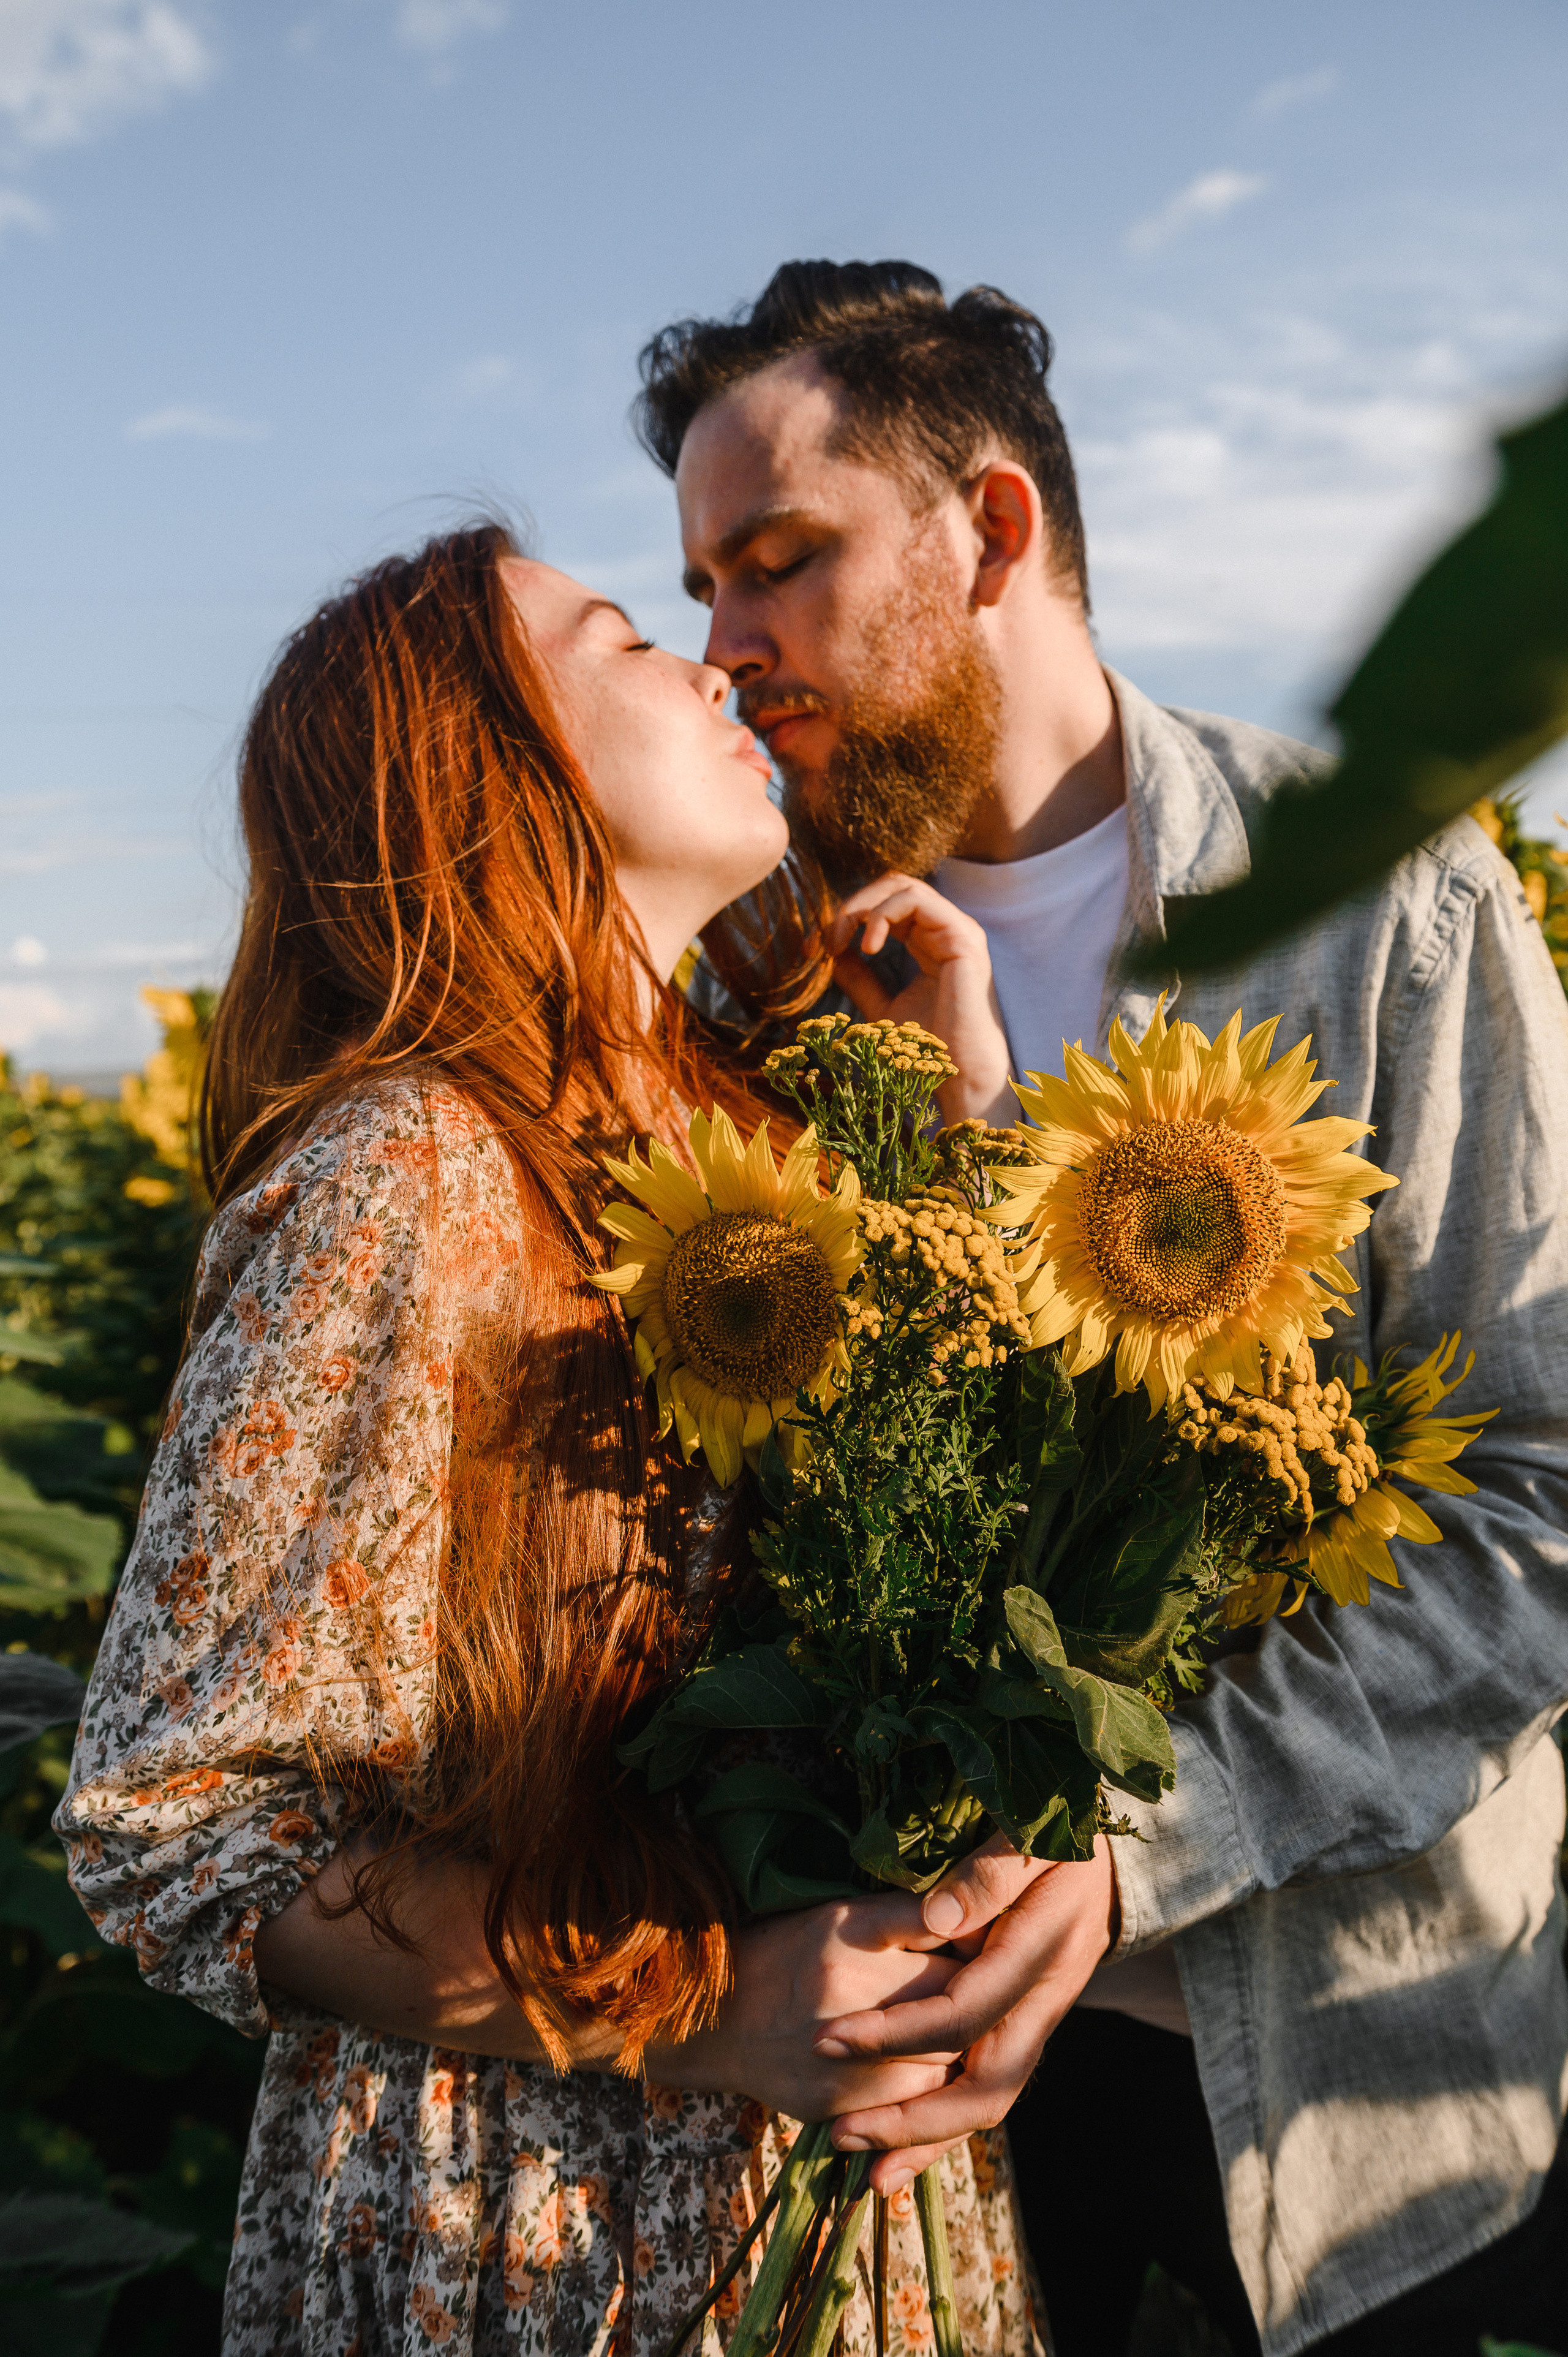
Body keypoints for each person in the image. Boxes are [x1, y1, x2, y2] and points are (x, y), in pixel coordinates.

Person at [638, 260, 1568, 2355]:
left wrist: (1143, 1850)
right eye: (700, 586)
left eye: (781, 560)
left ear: (994, 530)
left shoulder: (1389, 903)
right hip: (899, 2100)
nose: (727, 648)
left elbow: (1544, 1500)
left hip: (1351, 2062)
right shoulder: (740, 972)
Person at [53, 523, 1052, 2357]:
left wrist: (968, 1130)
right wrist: (698, 2007)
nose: (717, 663)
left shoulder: (758, 1149)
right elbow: (177, 1835)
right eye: (621, 635)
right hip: (536, 2209)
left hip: (837, 2186)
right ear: (487, 767)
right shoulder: (408, 1174)